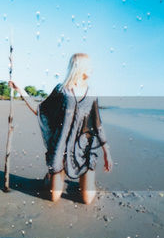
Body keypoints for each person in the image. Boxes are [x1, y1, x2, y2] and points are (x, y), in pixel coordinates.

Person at [11, 53, 112, 204]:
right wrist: (21, 91)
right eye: (89, 66)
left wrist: (106, 152)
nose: (92, 69)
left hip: (84, 150)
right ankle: (51, 175)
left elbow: (97, 124)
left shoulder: (92, 94)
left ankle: (87, 181)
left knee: (87, 200)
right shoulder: (61, 91)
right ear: (81, 68)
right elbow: (40, 110)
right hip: (61, 149)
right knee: (54, 198)